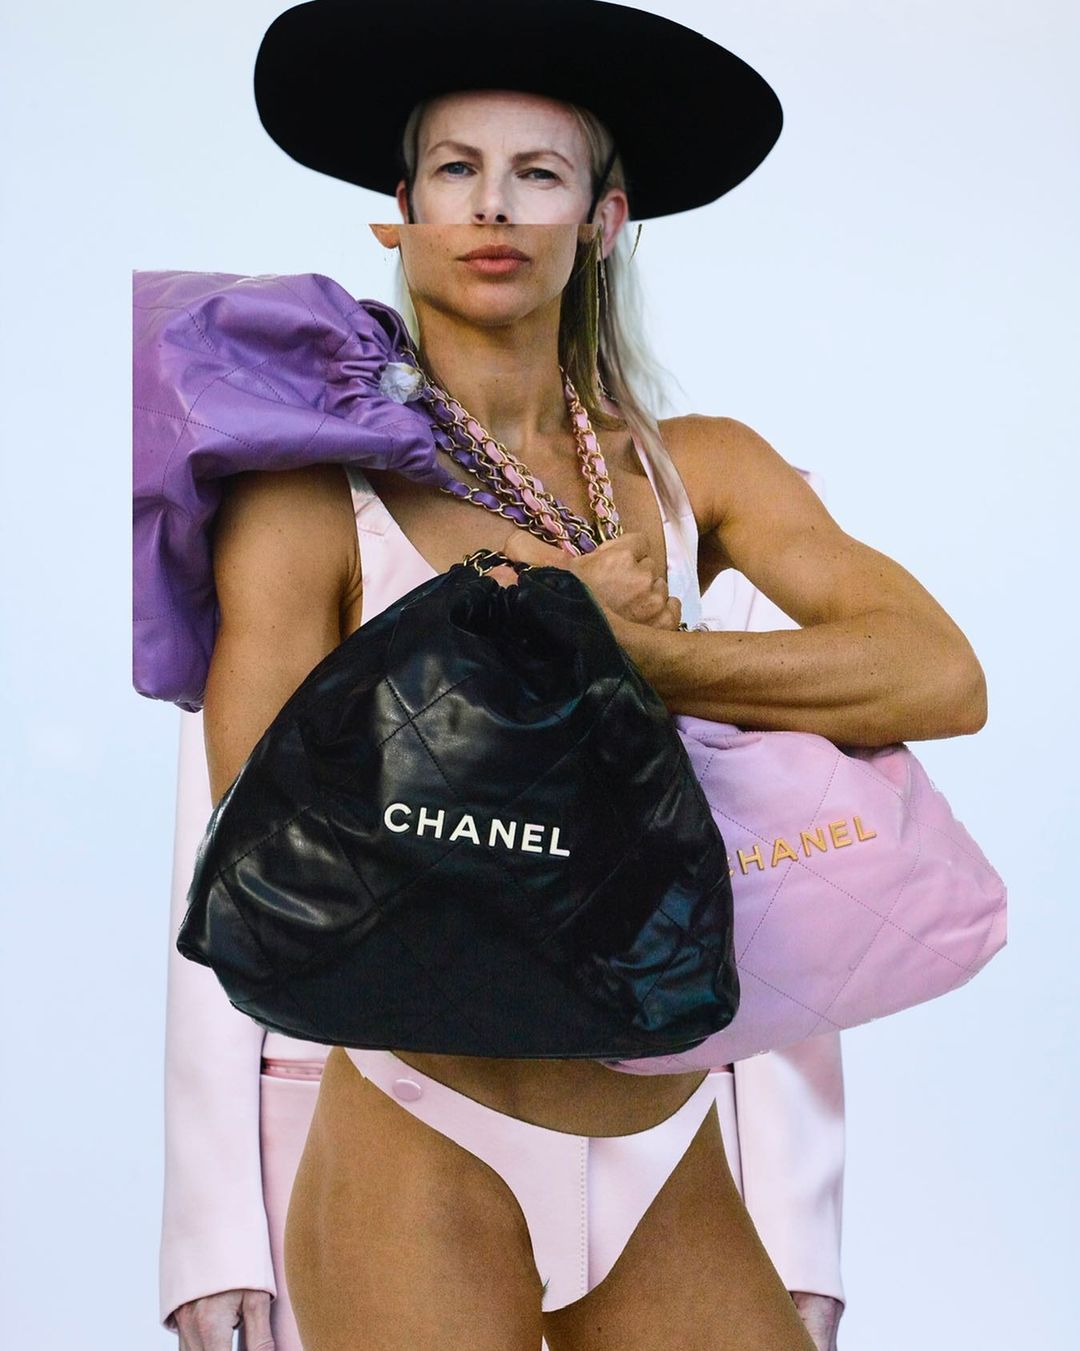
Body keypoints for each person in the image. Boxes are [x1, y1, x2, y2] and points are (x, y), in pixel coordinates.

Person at [158, 2, 982, 1348]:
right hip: (426, 1124)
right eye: (456, 169)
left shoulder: (699, 466)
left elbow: (937, 675)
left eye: (538, 174)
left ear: (602, 219)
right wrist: (543, 636)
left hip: (667, 1139)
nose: (494, 206)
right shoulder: (308, 498)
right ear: (402, 213)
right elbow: (265, 834)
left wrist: (645, 656)